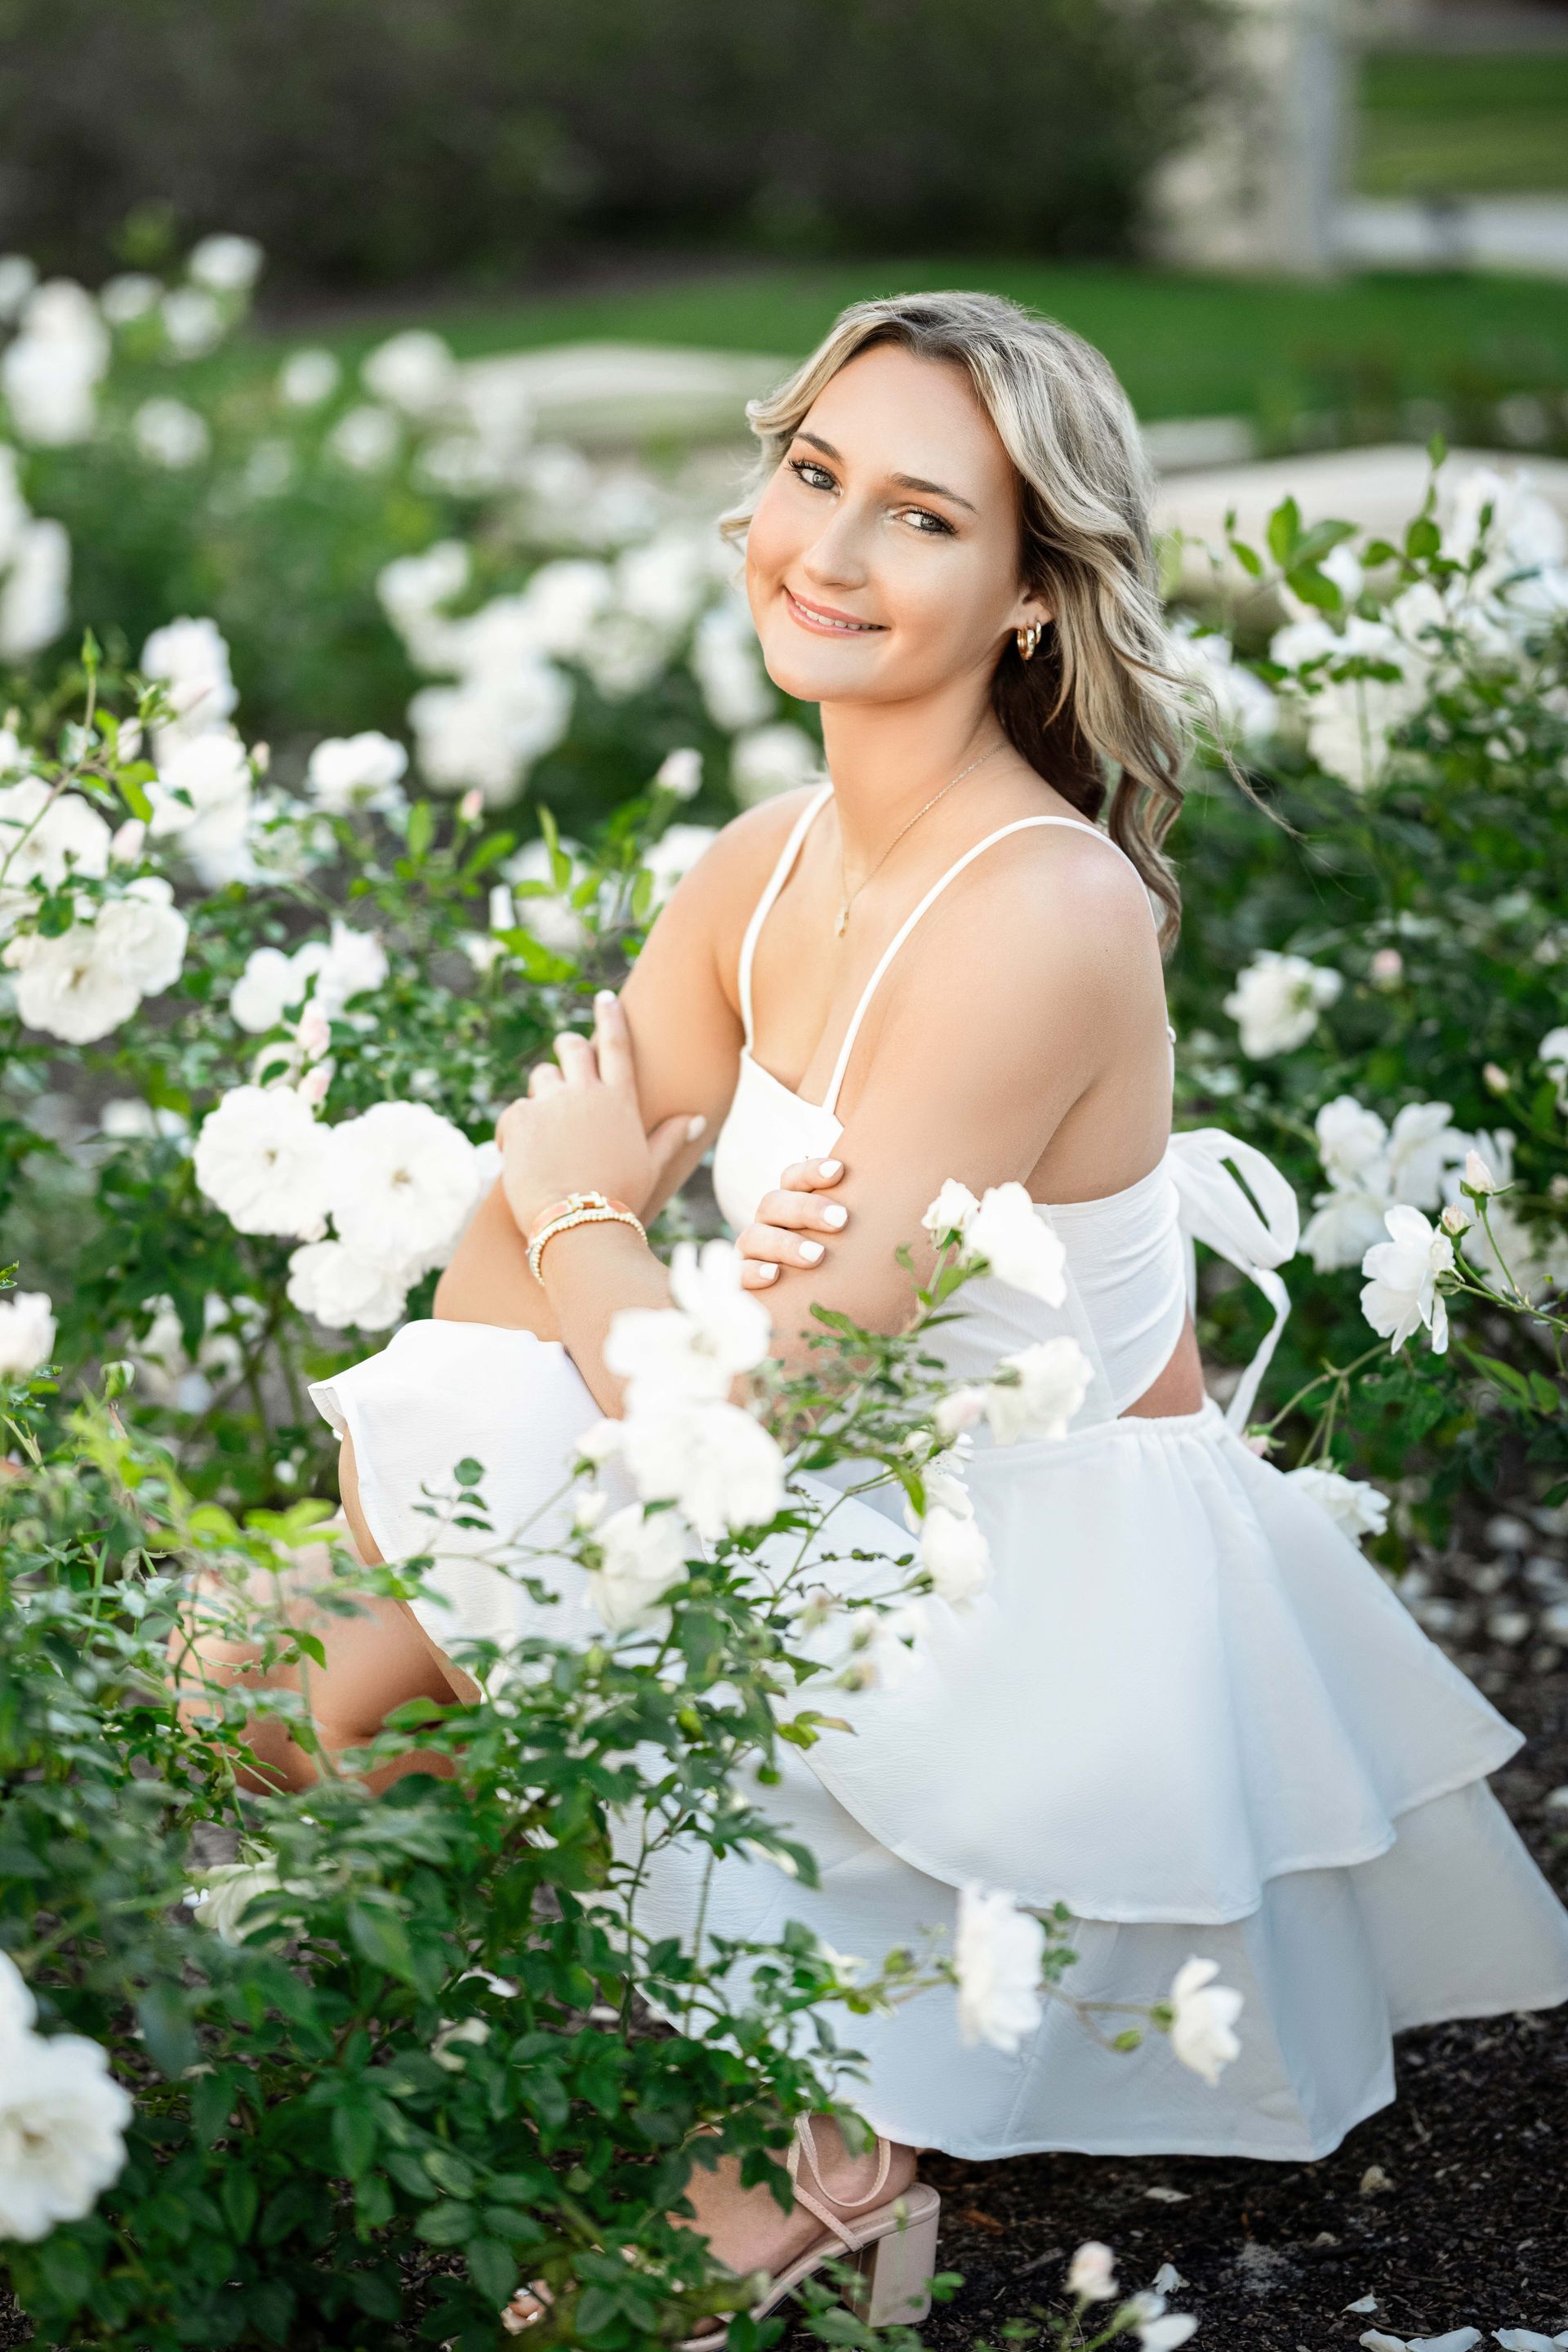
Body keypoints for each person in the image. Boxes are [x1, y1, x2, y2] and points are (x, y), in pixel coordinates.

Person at [211, 292, 1568, 2332]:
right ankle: (604, 1982)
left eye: (921, 519)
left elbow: (683, 1352)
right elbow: (509, 1304)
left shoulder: (1040, 914)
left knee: (372, 1657)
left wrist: (595, 1216)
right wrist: (586, 1304)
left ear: (1033, 595)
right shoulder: (760, 867)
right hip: (806, 1491)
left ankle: (830, 2111)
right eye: (814, 475)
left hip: (1025, 1599)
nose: (826, 555)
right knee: (276, 1677)